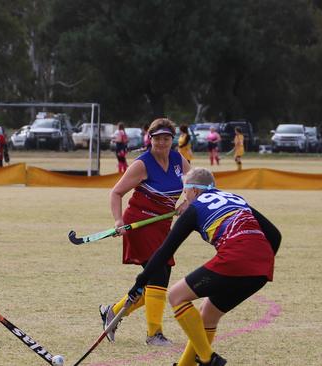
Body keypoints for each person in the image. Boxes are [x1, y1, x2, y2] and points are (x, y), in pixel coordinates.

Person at [126, 167, 281, 366]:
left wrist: (141, 280)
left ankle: (208, 359)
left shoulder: (196, 207)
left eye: (185, 191)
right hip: (262, 269)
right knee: (208, 314)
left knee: (176, 296)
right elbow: (275, 236)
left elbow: (165, 250)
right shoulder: (236, 199)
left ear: (195, 191)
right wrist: (261, 259)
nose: (185, 196)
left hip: (237, 259)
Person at [100, 118, 191, 346]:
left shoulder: (179, 160)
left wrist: (188, 201)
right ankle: (154, 335)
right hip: (139, 224)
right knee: (159, 274)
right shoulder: (142, 164)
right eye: (157, 138)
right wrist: (118, 220)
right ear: (150, 139)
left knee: (155, 281)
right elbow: (116, 193)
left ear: (173, 140)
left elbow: (198, 185)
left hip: (162, 227)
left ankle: (113, 311)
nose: (161, 142)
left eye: (166, 138)